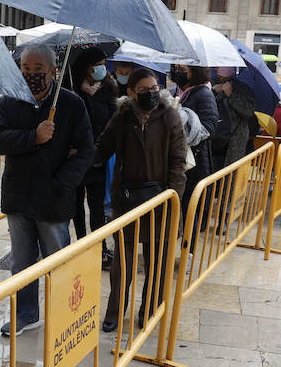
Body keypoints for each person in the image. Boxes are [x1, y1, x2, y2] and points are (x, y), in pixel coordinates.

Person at [0, 44, 94, 335]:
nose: (31, 75)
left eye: (38, 70)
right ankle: (26, 314)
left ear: (53, 71)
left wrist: (60, 185)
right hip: (19, 196)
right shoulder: (10, 100)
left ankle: (63, 314)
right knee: (22, 262)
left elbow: (85, 151)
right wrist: (33, 137)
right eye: (25, 69)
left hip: (53, 200)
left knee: (57, 260)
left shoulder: (71, 104)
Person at [93, 68, 186, 332]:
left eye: (155, 88)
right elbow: (102, 148)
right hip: (127, 201)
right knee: (122, 264)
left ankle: (149, 310)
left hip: (162, 201)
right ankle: (114, 312)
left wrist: (172, 196)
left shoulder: (169, 116)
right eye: (144, 90)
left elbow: (178, 161)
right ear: (132, 92)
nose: (152, 93)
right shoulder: (122, 117)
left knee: (157, 262)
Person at [69, 49, 116, 267]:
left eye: (103, 64)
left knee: (96, 206)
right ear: (87, 67)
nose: (102, 69)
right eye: (98, 64)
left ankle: (100, 249)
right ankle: (80, 245)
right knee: (76, 206)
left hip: (98, 158)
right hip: (76, 159)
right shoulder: (71, 92)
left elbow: (113, 122)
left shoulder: (108, 89)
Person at [171, 65, 220, 208]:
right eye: (176, 68)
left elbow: (209, 129)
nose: (177, 72)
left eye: (182, 70)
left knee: (190, 205)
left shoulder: (204, 94)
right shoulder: (178, 92)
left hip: (195, 161)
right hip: (177, 158)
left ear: (195, 71)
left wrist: (185, 120)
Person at [212, 68, 257, 168]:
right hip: (213, 140)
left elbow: (248, 111)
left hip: (233, 142)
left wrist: (230, 95)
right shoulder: (210, 85)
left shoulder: (242, 88)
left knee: (230, 178)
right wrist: (213, 91)